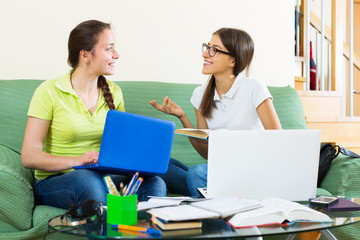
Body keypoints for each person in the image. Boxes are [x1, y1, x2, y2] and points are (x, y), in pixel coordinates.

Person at [21, 20, 166, 210]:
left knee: (155, 182)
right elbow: (29, 156)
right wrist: (77, 161)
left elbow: (119, 149)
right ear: (85, 55)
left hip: (103, 177)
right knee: (87, 180)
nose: (116, 55)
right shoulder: (49, 91)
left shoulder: (114, 92)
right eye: (109, 49)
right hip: (57, 181)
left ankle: (136, 231)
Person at [150, 28, 282, 197]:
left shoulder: (254, 88)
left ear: (232, 61)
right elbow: (206, 152)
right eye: (207, 47)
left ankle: (209, 202)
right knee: (158, 163)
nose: (205, 54)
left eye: (214, 50)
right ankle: (207, 192)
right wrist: (182, 116)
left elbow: (278, 142)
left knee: (196, 173)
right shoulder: (200, 94)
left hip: (251, 173)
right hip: (219, 172)